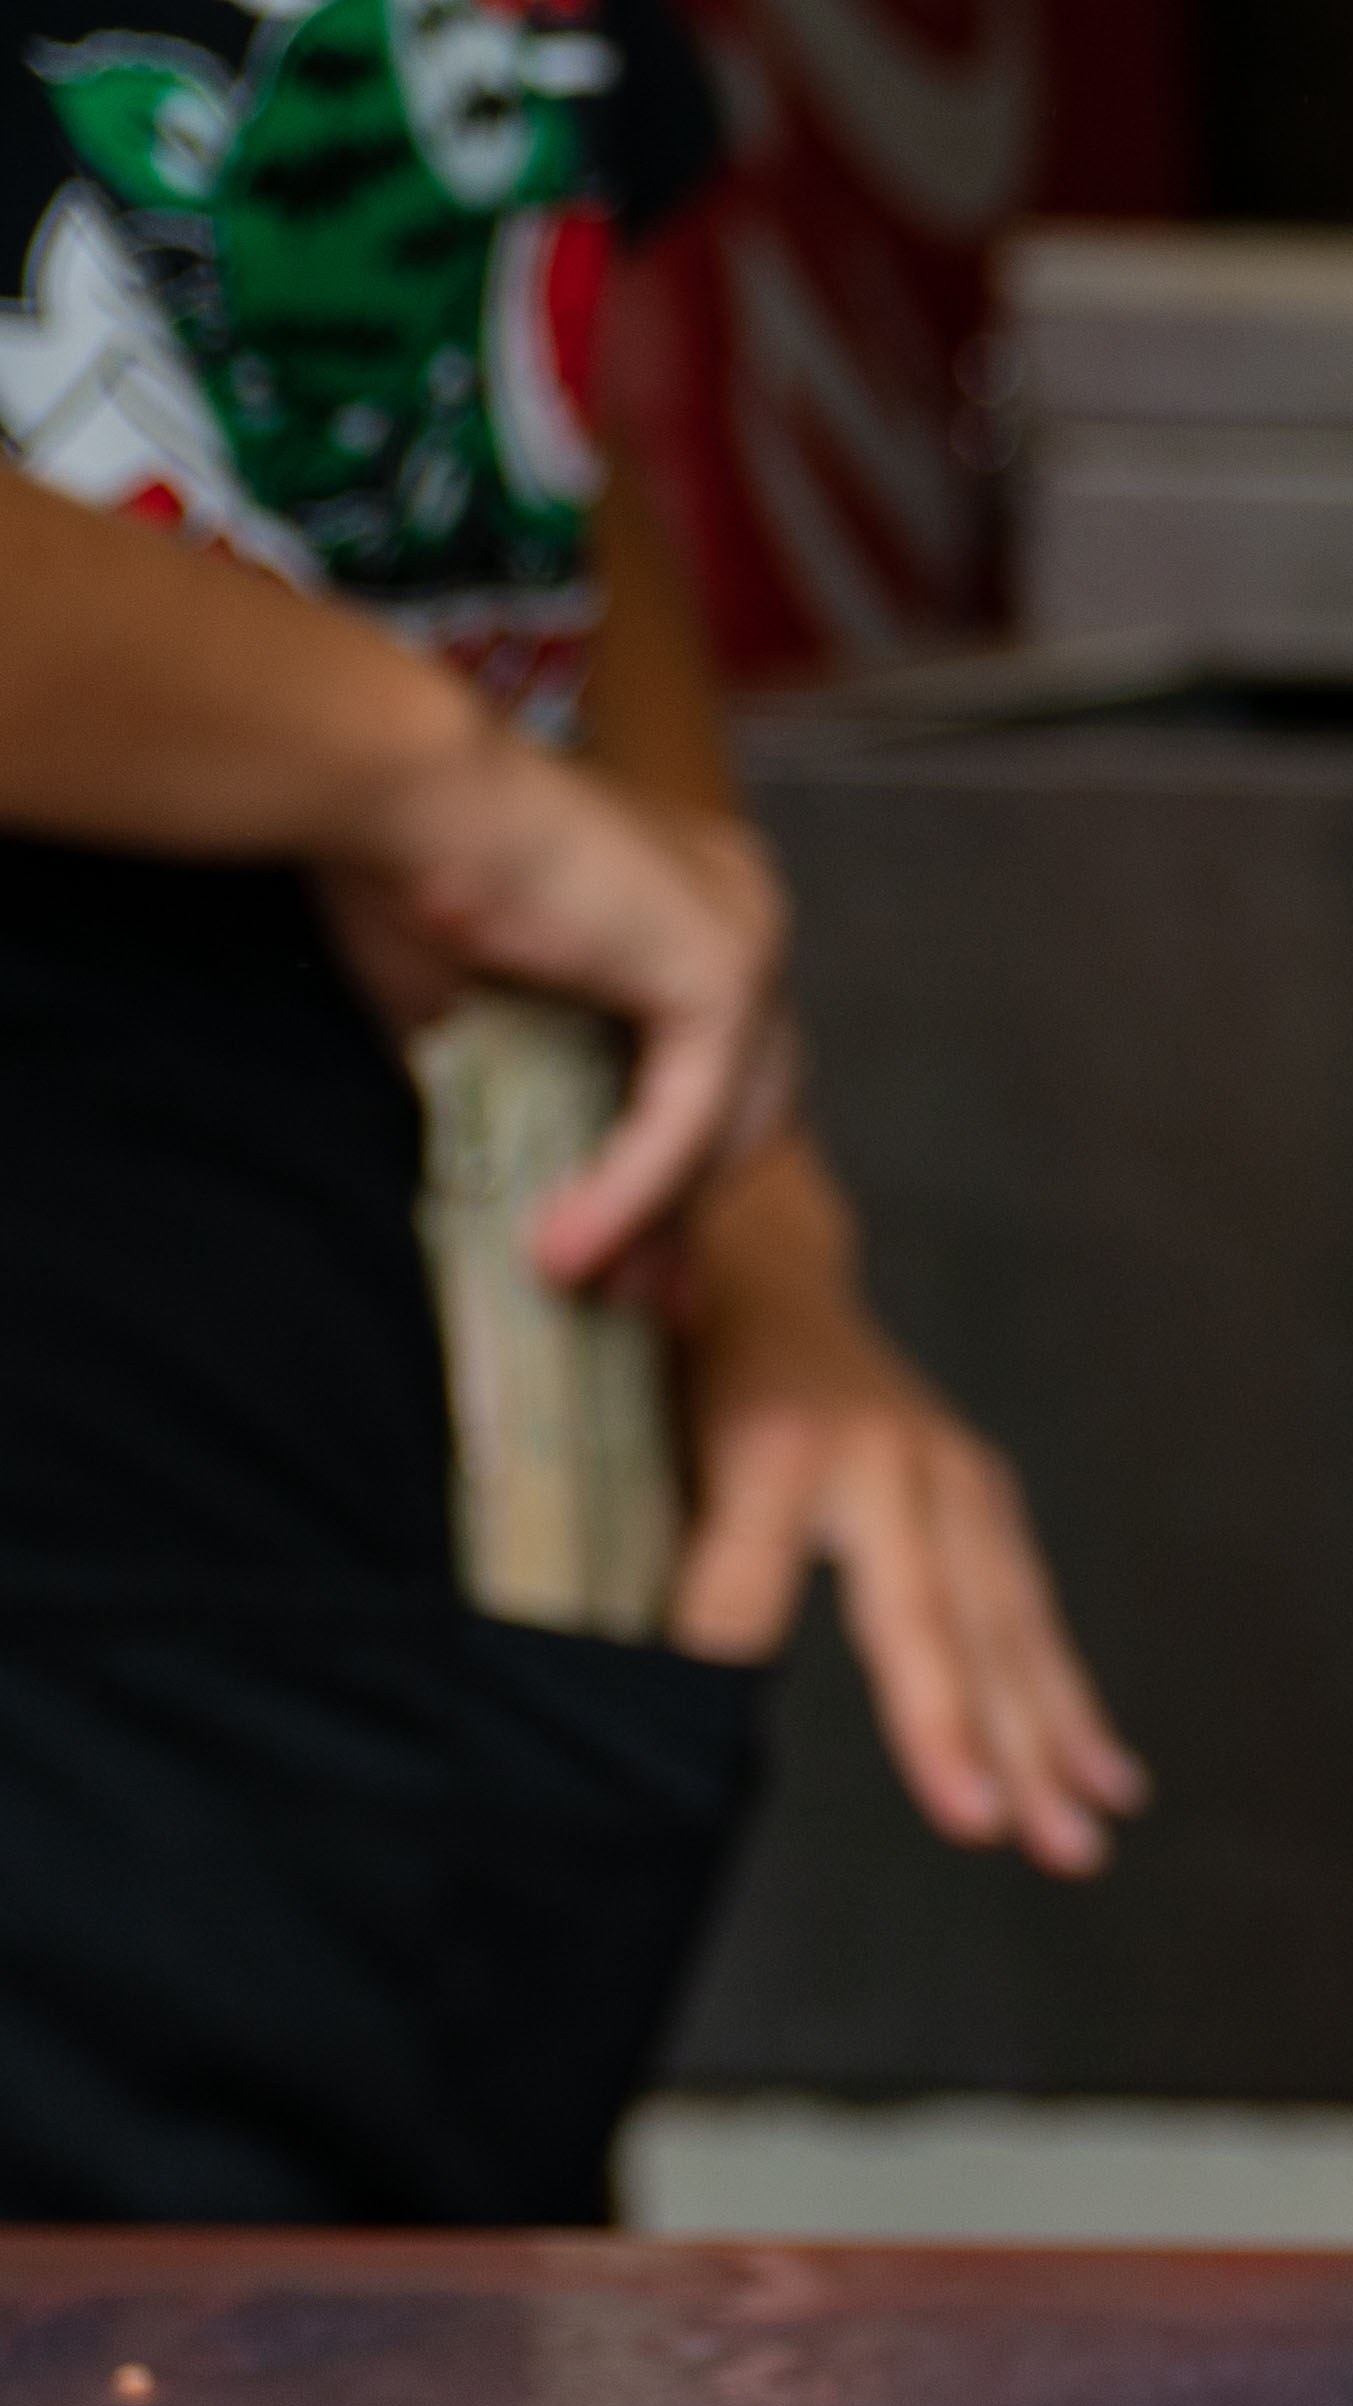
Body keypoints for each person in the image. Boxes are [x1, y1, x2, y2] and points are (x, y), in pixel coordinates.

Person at [0, 0, 1137, 2224]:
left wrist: (755, 1221)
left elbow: (532, 446)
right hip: (69, 1502)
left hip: (382, 1545)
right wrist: (426, 776)